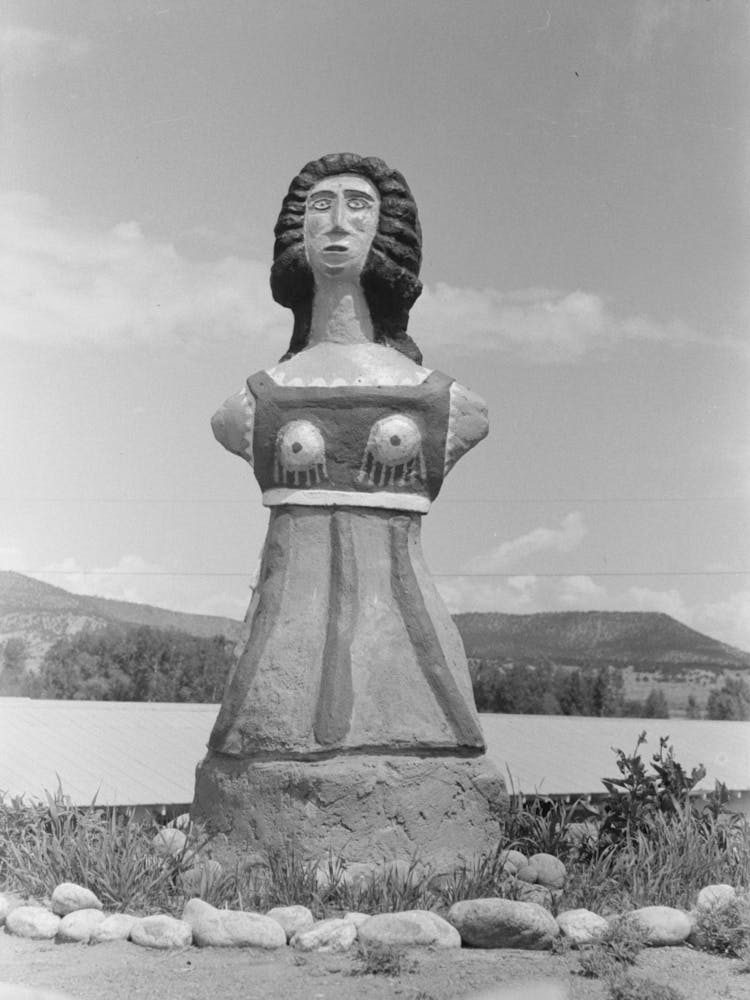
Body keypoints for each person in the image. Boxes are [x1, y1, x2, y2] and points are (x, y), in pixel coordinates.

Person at [208, 153, 488, 759]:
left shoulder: (441, 401)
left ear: (386, 234)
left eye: (357, 206)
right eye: (319, 206)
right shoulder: (256, 400)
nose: (337, 223)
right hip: (279, 674)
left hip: (407, 663)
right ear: (297, 234)